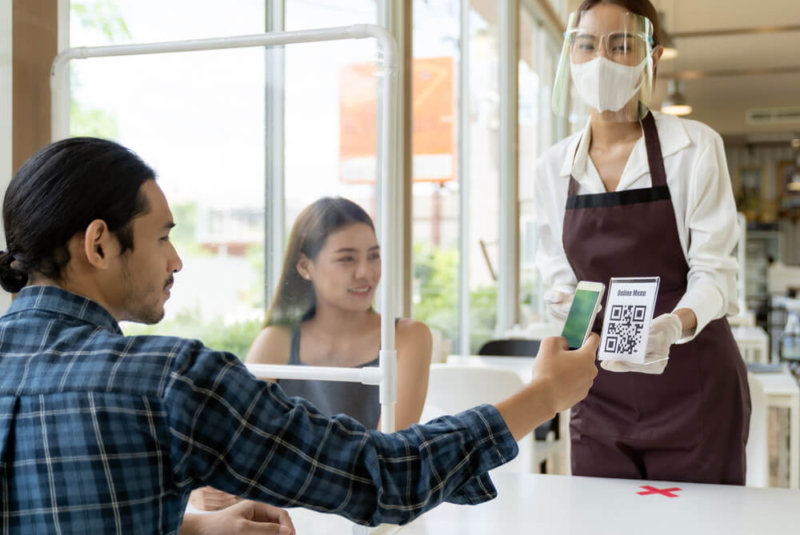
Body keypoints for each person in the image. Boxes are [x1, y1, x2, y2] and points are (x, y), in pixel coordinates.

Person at [0, 137, 599, 533]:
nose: (177, 260)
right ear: (99, 243)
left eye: (373, 256)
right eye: (162, 236)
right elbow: (385, 473)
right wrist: (545, 394)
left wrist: (190, 527)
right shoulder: (168, 380)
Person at [534, 0, 750, 485]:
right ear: (570, 56)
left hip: (694, 388)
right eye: (587, 45)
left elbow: (714, 272)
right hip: (596, 388)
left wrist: (673, 326)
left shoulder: (694, 148)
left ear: (651, 59)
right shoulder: (552, 168)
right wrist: (568, 312)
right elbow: (559, 276)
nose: (601, 61)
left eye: (622, 45)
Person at [192, 197, 432, 511]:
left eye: (374, 256)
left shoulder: (409, 338)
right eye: (347, 259)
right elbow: (230, 445)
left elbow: (385, 461)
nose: (366, 272)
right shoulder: (275, 341)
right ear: (305, 266)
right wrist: (203, 486)